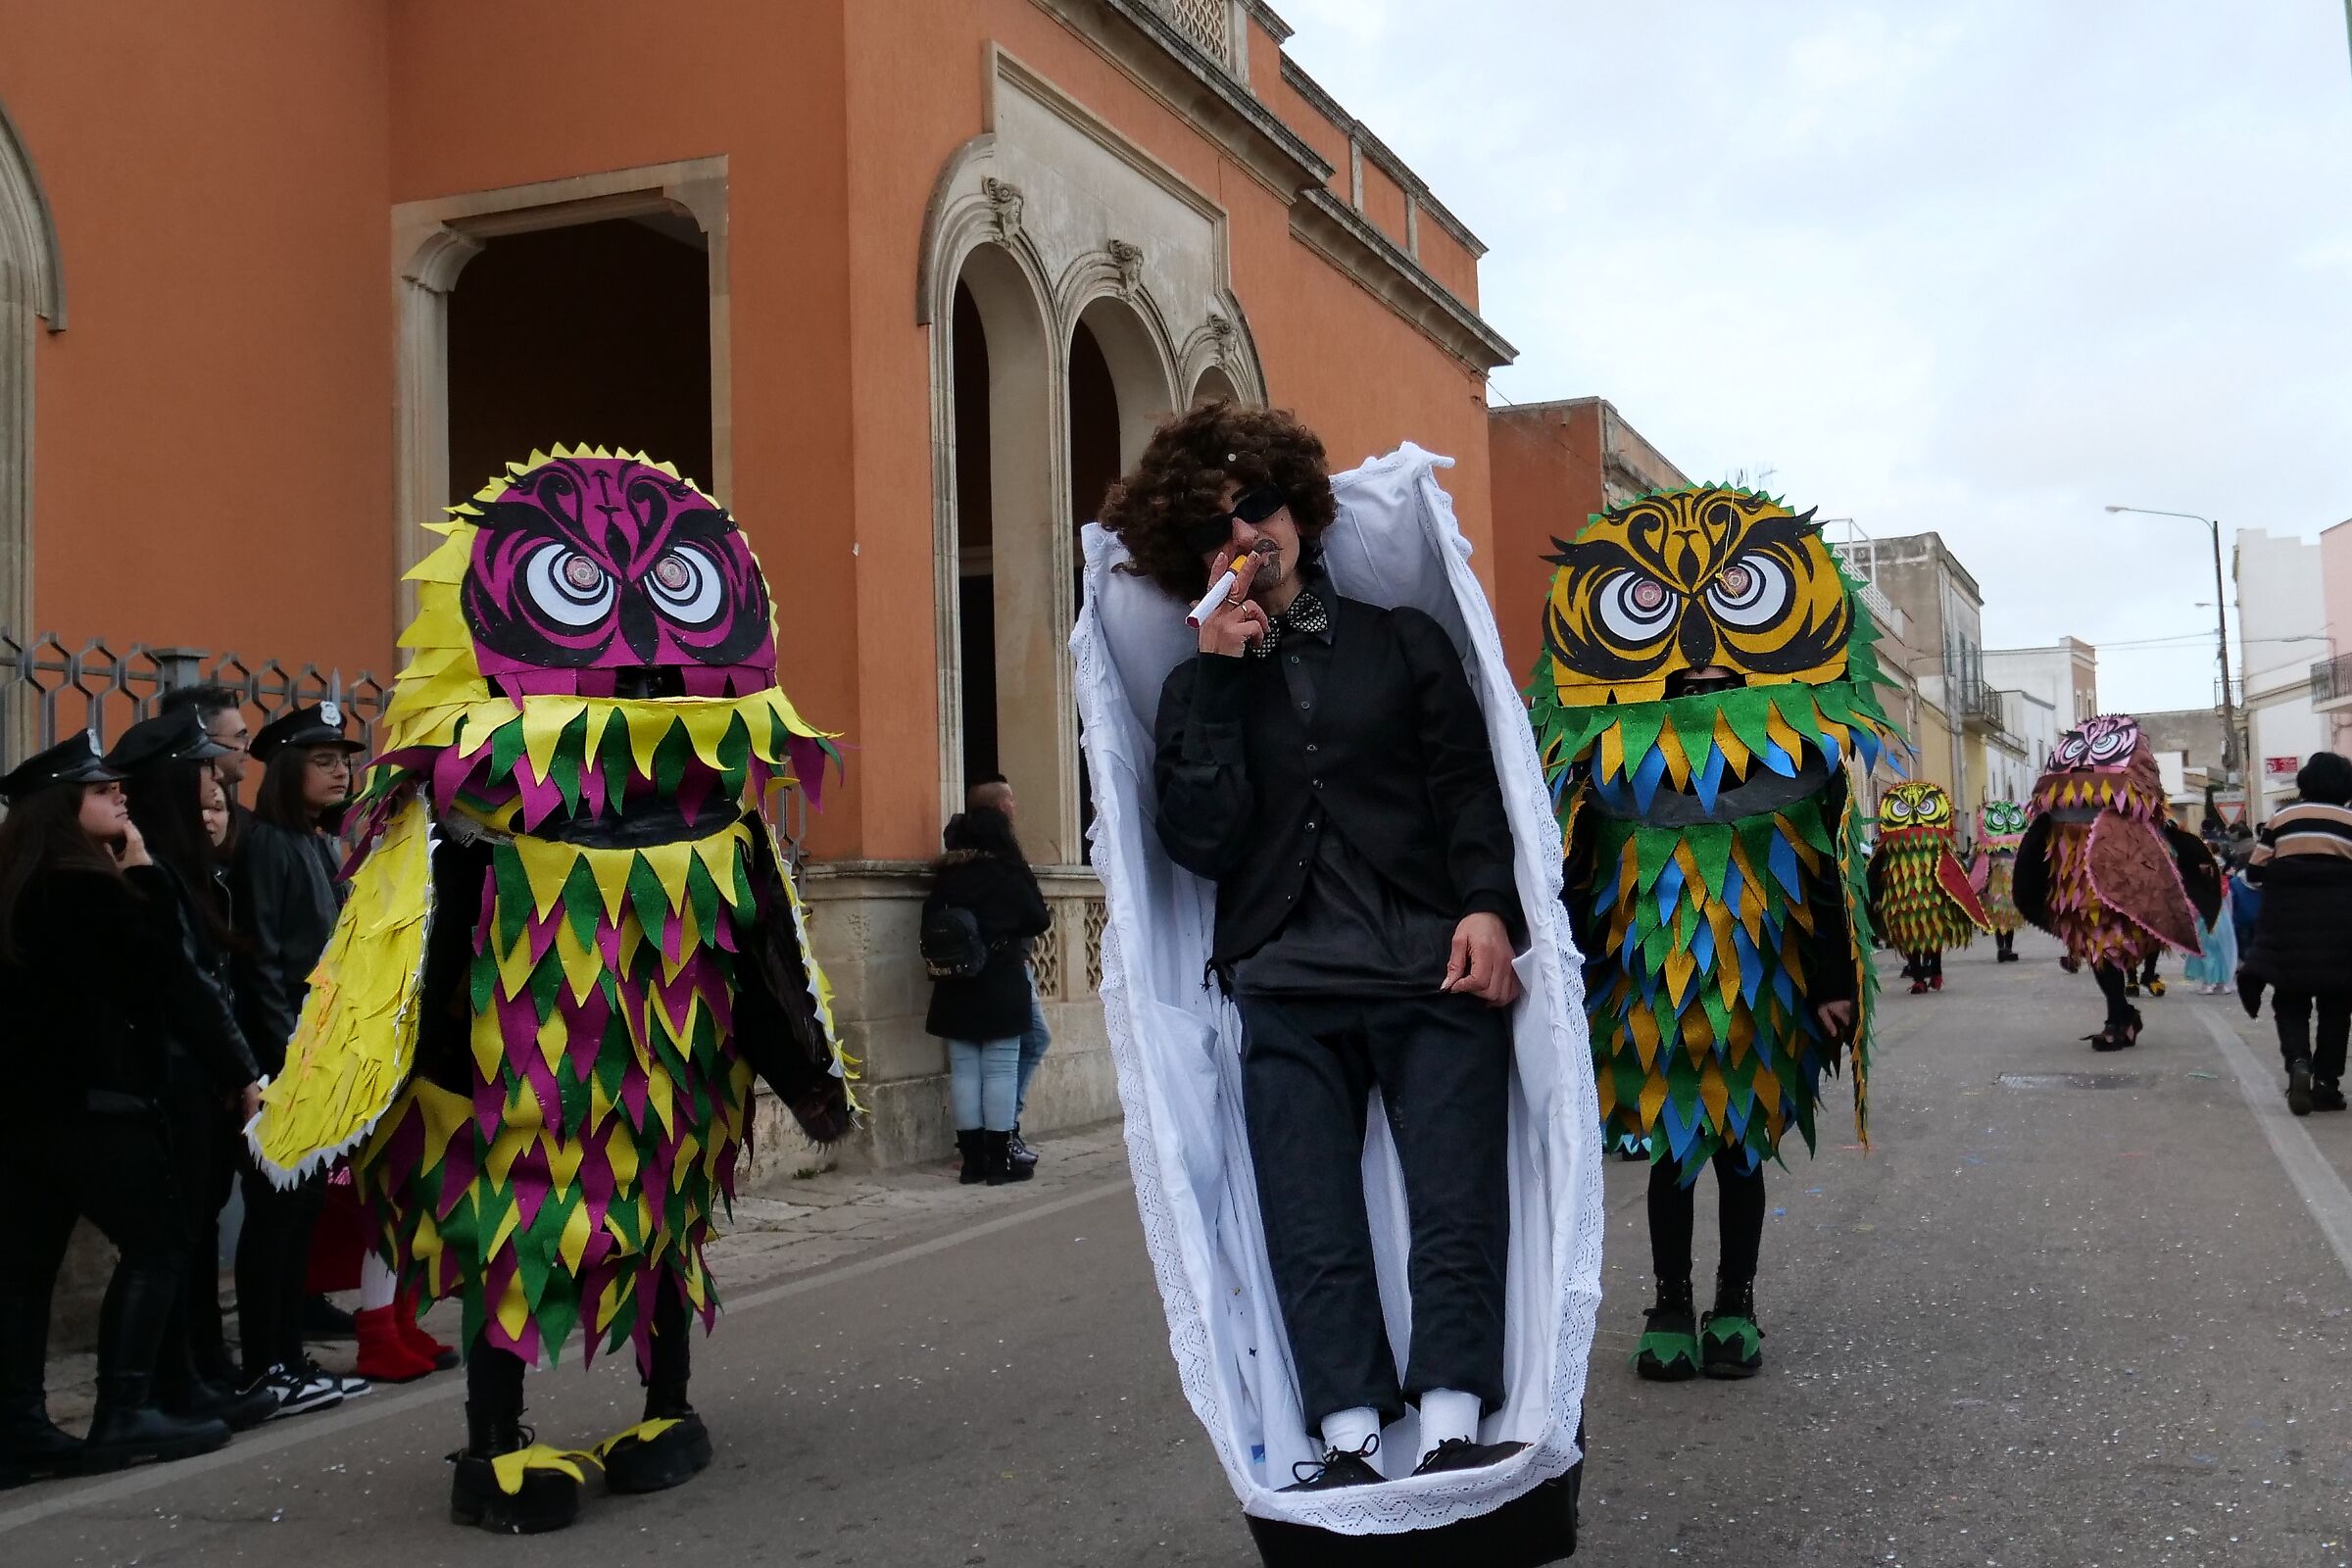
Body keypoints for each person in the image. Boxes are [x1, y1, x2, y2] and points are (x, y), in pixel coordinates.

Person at [249, 449, 854, 1535]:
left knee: (665, 1233)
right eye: (581, 586)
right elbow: (403, 960)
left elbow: (759, 959)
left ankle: (663, 1409)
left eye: (662, 586)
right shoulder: (463, 820)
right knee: (506, 1243)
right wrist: (376, 1090)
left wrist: (808, 1072)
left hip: (670, 1092)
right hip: (506, 1098)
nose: (625, 636)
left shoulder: (722, 818)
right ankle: (497, 1442)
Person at [1134, 404, 1528, 1486]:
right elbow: (1199, 842)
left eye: (1254, 505)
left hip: (1431, 966)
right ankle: (1347, 1440)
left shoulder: (1404, 640)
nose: (1243, 533)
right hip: (1285, 983)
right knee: (1310, 1219)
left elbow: (1467, 792)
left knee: (1456, 1201)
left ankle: (1453, 1424)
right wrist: (1217, 675)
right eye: (1214, 527)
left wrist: (1490, 907)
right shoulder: (1190, 687)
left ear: (1298, 509)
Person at [1538, 486, 1889, 1386]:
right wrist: (1565, 990)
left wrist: (1831, 985)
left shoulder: (1799, 760)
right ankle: (1667, 1303)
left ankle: (1736, 1302)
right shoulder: (1601, 767)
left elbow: (1823, 882)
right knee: (1670, 1156)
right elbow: (1575, 882)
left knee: (1737, 1155)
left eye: (1719, 672)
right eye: (1681, 673)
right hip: (1647, 1000)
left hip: (1761, 998)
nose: (1698, 670)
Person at [0, 733, 263, 1483]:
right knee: (158, 1244)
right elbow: (163, 978)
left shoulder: (18, 886)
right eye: (98, 790)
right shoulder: (85, 889)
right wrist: (144, 875)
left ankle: (18, 1427)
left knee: (25, 1272)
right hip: (97, 1108)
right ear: (60, 810)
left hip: (24, 1118)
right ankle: (123, 1408)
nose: (119, 795)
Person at [110, 708, 279, 1435]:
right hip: (174, 1080)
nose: (220, 792)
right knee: (173, 1242)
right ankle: (169, 1387)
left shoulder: (191, 871)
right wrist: (243, 1071)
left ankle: (198, 1373)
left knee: (195, 1234)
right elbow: (188, 988)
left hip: (198, 1079)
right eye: (206, 777)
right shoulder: (152, 874)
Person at [229, 703, 369, 1417]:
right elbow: (263, 968)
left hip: (319, 1056)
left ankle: (288, 1357)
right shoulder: (268, 846)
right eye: (323, 759)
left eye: (344, 757)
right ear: (288, 770)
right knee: (276, 1217)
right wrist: (289, 1065)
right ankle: (266, 1364)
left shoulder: (319, 844)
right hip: (286, 1063)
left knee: (302, 1214)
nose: (341, 768)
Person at [2013, 714, 2221, 1053]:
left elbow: (2161, 828)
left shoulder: (2137, 808)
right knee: (2098, 949)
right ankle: (2119, 1018)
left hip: (2127, 883)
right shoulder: (2053, 815)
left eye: (2104, 749)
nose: (2085, 765)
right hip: (2075, 886)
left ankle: (2121, 1017)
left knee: (2114, 947)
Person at [926, 805, 1052, 1186]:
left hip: (954, 982)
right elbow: (1039, 919)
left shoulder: (946, 876)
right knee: (999, 1068)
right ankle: (999, 1163)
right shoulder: (1008, 872)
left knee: (965, 1071)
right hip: (1000, 979)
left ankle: (972, 1163)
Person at [2240, 753, 2352, 1114]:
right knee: (2336, 1007)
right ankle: (2326, 1084)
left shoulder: (2282, 818)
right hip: (2341, 933)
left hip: (2287, 932)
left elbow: (2255, 874)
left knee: (2290, 1002)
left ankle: (2298, 1064)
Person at [963, 773, 1052, 1171]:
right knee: (1026, 1042)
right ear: (1002, 808)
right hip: (1005, 967)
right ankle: (1003, 1132)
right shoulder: (1004, 860)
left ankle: (989, 1139)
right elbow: (1036, 916)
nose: (1016, 807)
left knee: (973, 1059)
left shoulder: (957, 859)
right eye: (1011, 801)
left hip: (966, 971)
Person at [1867, 782, 1994, 995]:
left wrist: (1956, 898)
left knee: (1932, 938)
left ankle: (1935, 971)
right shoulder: (1888, 851)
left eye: (1924, 808)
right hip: (1901, 904)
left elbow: (1954, 872)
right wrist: (1877, 898)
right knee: (1909, 940)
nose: (1915, 816)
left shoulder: (1940, 848)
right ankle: (1918, 979)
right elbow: (1875, 874)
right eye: (1903, 809)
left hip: (1933, 902)